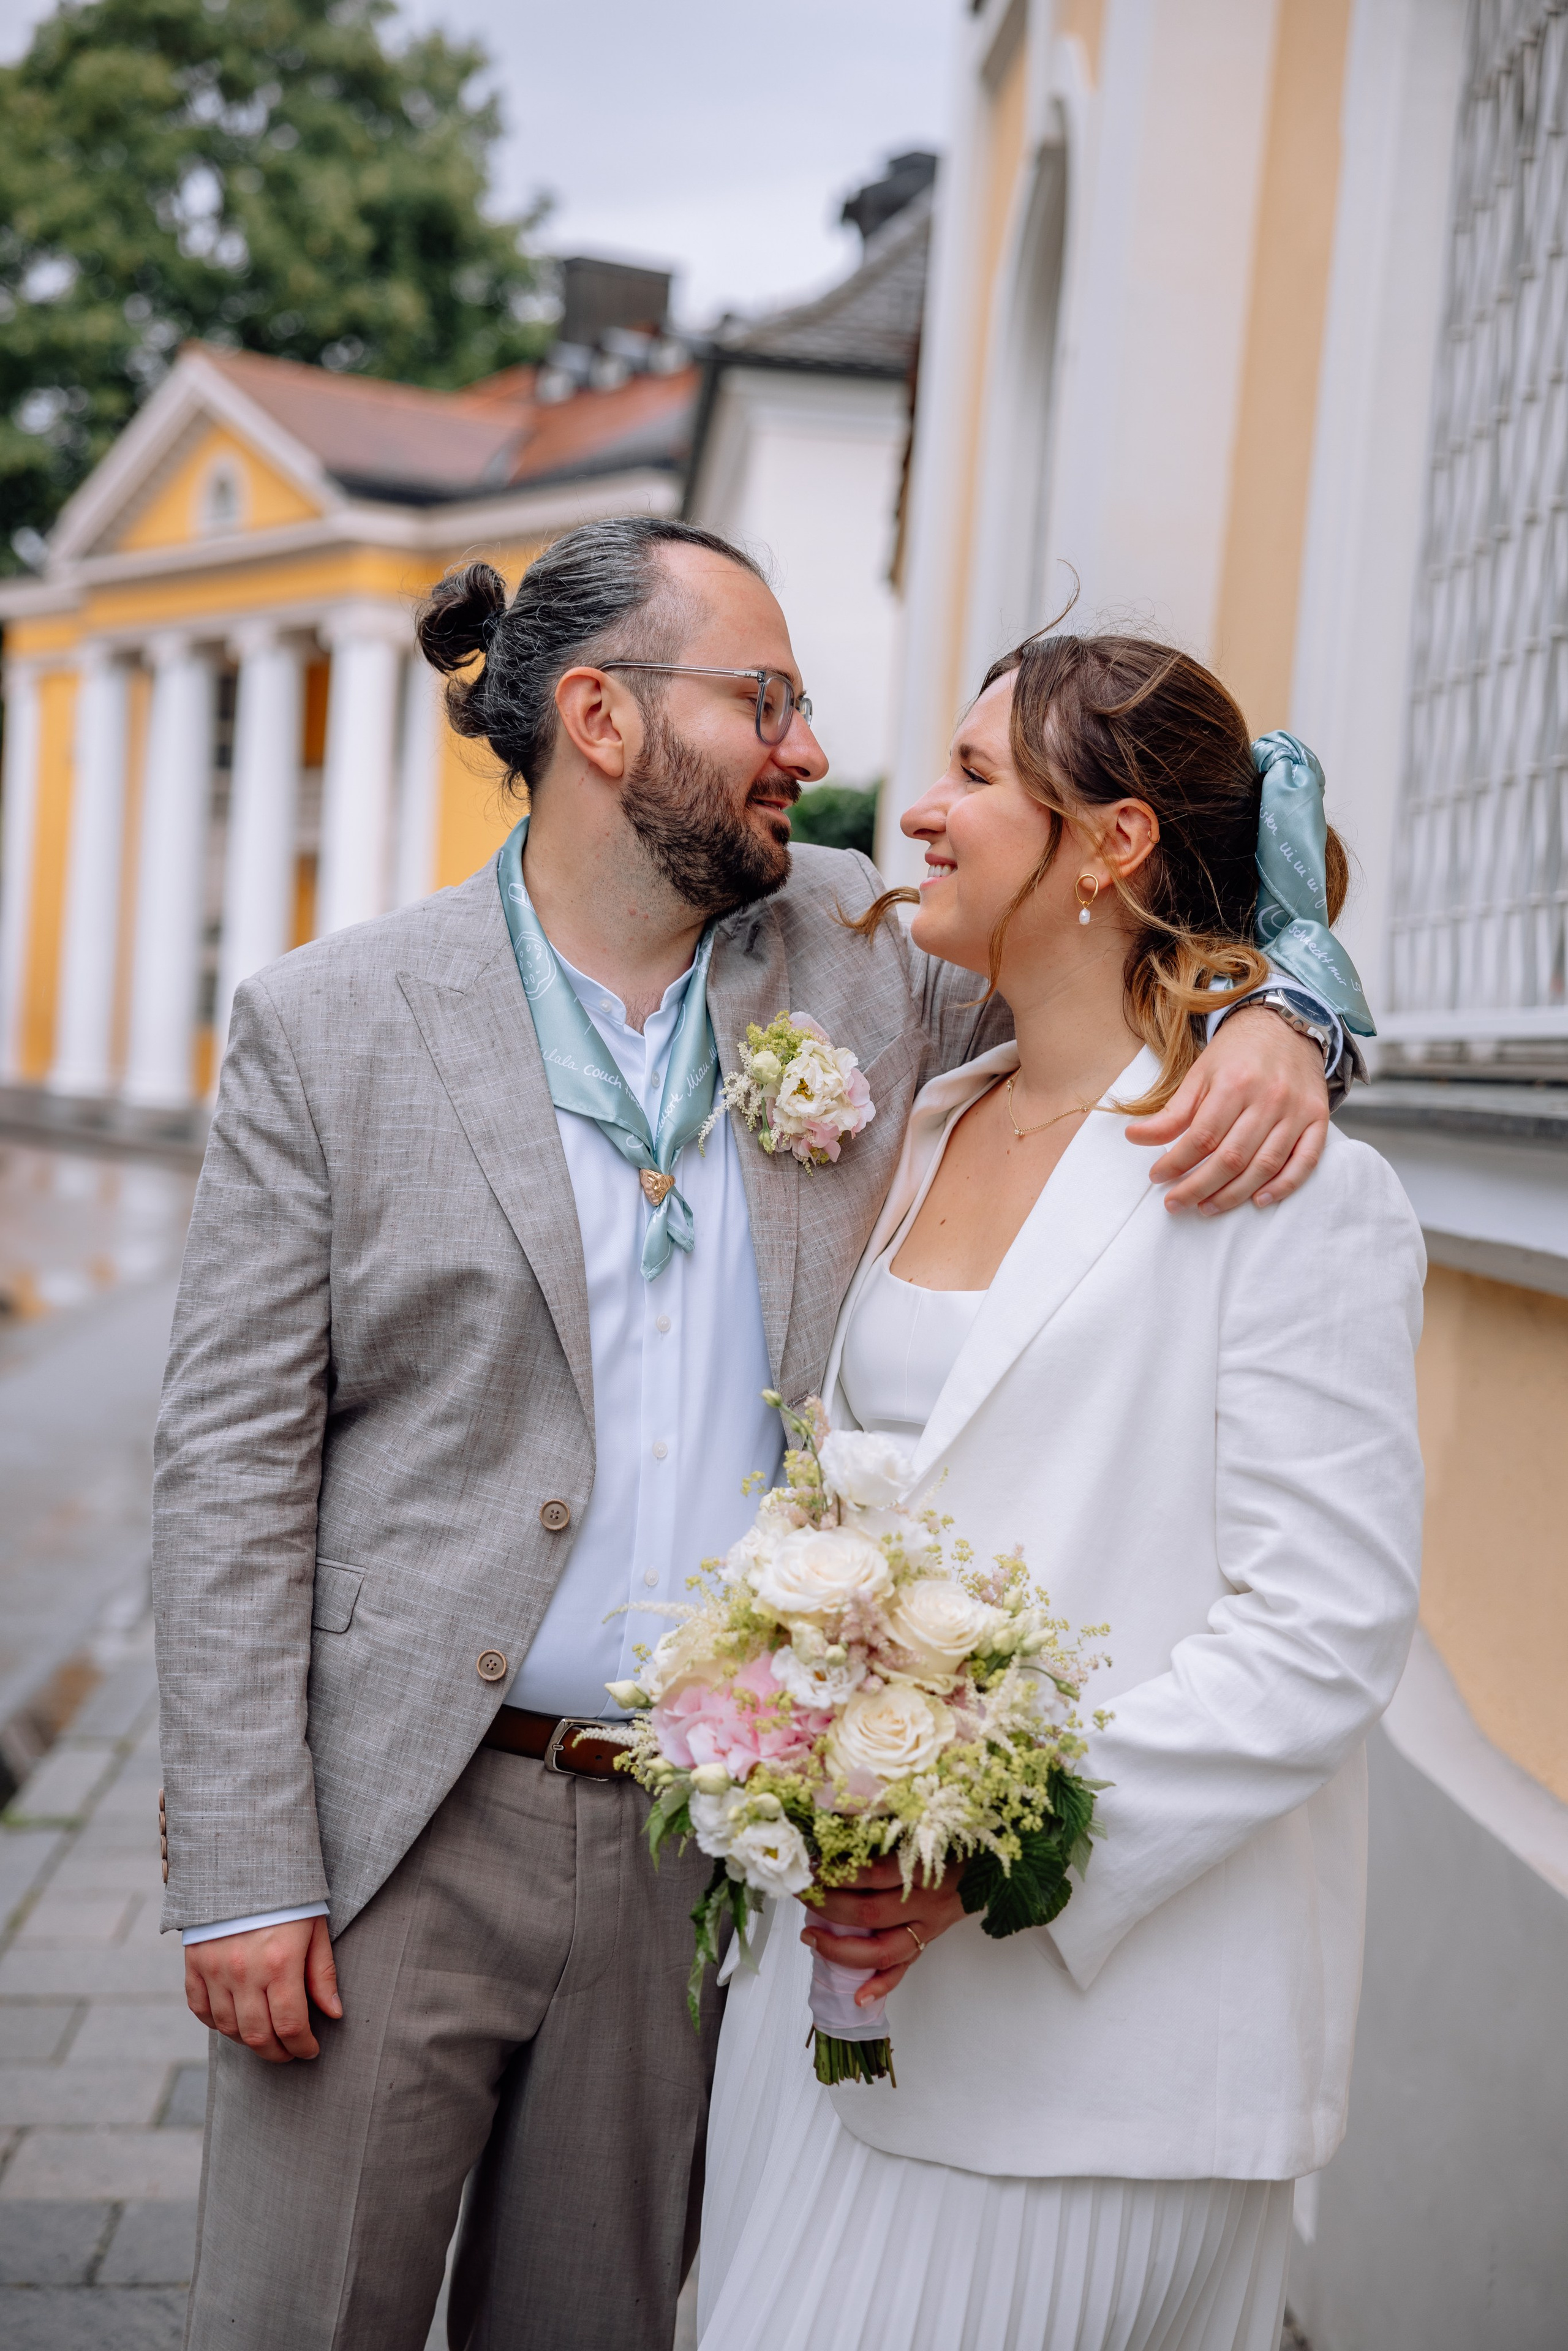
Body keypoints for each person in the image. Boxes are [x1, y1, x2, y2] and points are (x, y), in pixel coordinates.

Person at [153, 521, 1340, 2351]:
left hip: (703, 1855)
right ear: (605, 718)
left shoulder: (873, 959)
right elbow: (232, 1463)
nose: (812, 747)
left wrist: (1295, 1014)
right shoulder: (334, 1027)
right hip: (397, 1822)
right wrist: (248, 1865)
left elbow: (1136, 936)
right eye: (766, 698)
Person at [696, 634, 1424, 2351]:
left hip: (1107, 2052)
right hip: (826, 2020)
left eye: (970, 776)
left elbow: (1325, 1629)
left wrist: (1000, 1848)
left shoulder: (1284, 1181)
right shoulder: (927, 1116)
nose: (918, 815)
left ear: (1108, 844)